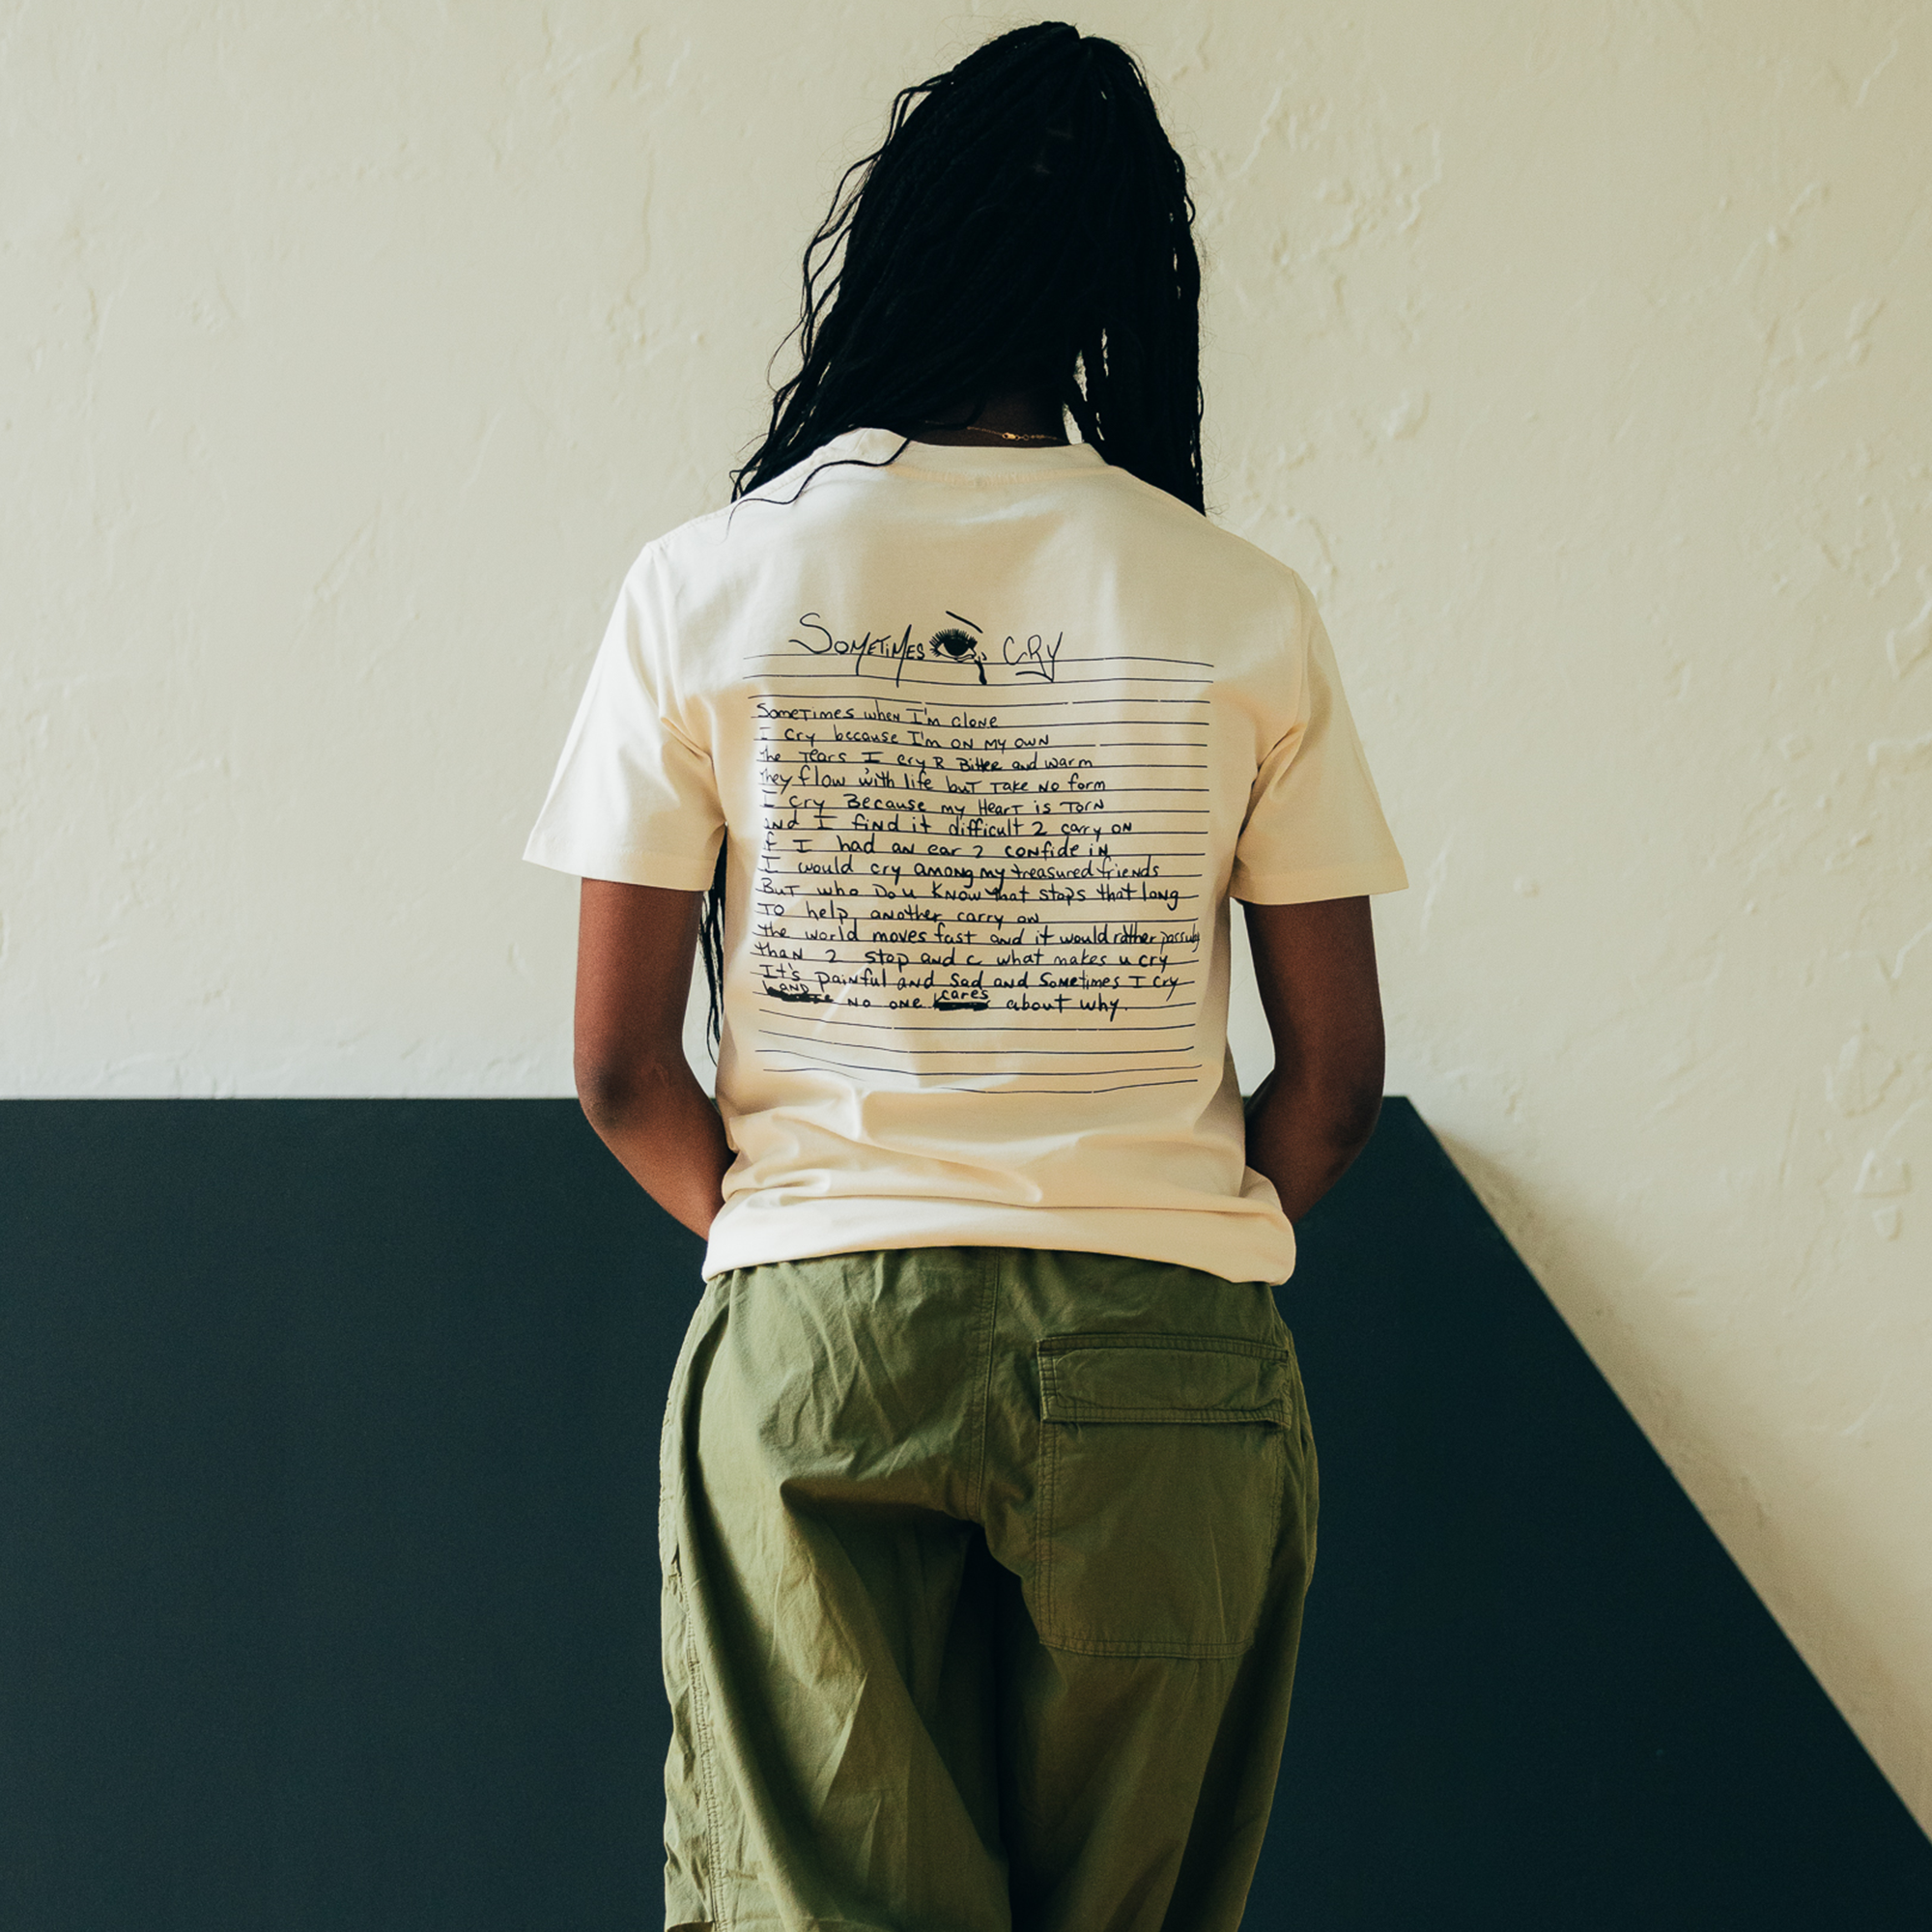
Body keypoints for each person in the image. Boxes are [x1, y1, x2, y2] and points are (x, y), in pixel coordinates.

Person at [524, 21, 1406, 1930]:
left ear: (896, 254)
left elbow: (616, 1064)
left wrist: (799, 1233)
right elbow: (1333, 1078)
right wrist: (1154, 1234)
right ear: (1120, 292)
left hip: (824, 1327)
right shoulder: (1236, 604)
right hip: (1168, 1343)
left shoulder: (706, 582)